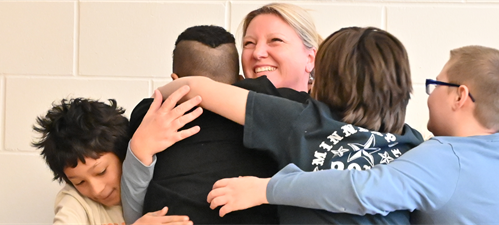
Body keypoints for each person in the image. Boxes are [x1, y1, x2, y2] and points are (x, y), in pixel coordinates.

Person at [207, 45, 499, 224]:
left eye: (435, 85)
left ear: (460, 96)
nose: (428, 95)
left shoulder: (445, 157)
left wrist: (266, 188)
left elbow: (361, 190)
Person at [156, 27, 425, 224]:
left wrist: (161, 92)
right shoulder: (411, 141)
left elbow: (195, 86)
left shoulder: (302, 118)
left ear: (323, 78)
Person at [121, 25, 280, 225]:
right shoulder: (273, 102)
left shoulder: (150, 112)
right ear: (240, 82)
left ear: (174, 81)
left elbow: (133, 208)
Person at [34, 98, 196, 225]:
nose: (96, 190)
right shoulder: (76, 202)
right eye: (80, 182)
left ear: (124, 154)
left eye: (101, 171)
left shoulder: (157, 175)